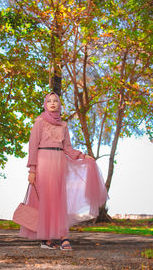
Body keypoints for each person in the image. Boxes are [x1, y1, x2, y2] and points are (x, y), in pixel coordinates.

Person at [18, 91, 108, 250]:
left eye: (55, 101)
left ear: (59, 104)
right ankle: (46, 239)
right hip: (43, 162)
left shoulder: (64, 125)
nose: (52, 103)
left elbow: (67, 148)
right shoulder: (39, 121)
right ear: (45, 105)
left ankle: (62, 235)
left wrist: (83, 156)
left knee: (58, 200)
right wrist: (32, 170)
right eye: (49, 101)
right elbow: (32, 146)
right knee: (45, 200)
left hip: (59, 164)